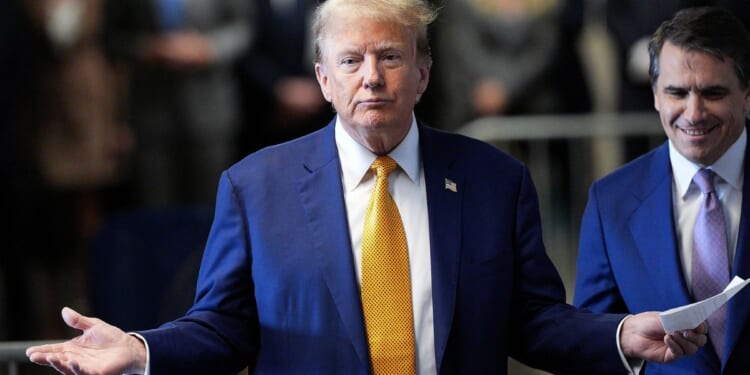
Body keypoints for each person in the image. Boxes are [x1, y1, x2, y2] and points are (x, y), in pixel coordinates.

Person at [26, 1, 707, 374]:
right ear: (323, 79)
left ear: (423, 72)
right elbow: (223, 328)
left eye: (389, 56)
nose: (370, 77)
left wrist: (620, 334)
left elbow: (533, 320)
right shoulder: (255, 187)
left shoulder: (495, 181)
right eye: (349, 60)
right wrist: (143, 348)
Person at [574, 6, 750, 374]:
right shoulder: (611, 202)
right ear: (655, 95)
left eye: (713, 92)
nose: (694, 112)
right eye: (676, 93)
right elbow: (589, 346)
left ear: (746, 94)